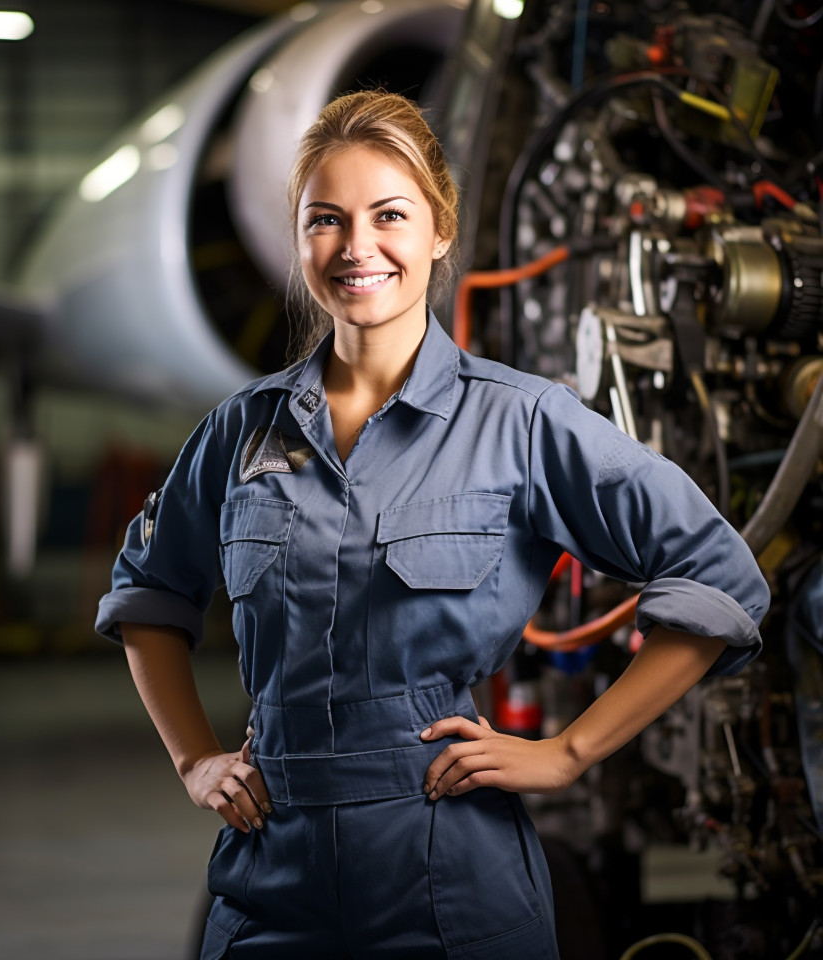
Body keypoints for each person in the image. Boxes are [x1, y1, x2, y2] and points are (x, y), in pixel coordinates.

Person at [96, 90, 770, 959]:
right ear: (299, 238)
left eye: (389, 215)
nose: (356, 247)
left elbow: (719, 577)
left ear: (440, 229)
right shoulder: (242, 430)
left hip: (451, 879)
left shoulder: (523, 423)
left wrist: (568, 752)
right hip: (270, 879)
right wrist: (194, 760)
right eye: (326, 220)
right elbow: (147, 596)